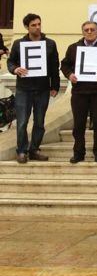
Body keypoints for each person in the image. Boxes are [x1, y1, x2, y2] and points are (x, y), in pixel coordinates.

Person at [7, 13, 60, 164]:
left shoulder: (50, 43)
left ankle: (34, 149)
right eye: (33, 25)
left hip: (42, 89)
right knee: (22, 121)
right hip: (24, 89)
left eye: (39, 24)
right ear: (27, 27)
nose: (37, 27)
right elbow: (10, 62)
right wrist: (15, 69)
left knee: (39, 122)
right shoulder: (18, 44)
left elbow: (54, 66)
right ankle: (22, 151)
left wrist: (54, 86)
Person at [60, 21, 97, 163]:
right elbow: (64, 64)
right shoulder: (73, 48)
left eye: (92, 29)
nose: (89, 32)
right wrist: (69, 75)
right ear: (82, 32)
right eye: (86, 30)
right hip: (80, 91)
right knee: (78, 125)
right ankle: (78, 153)